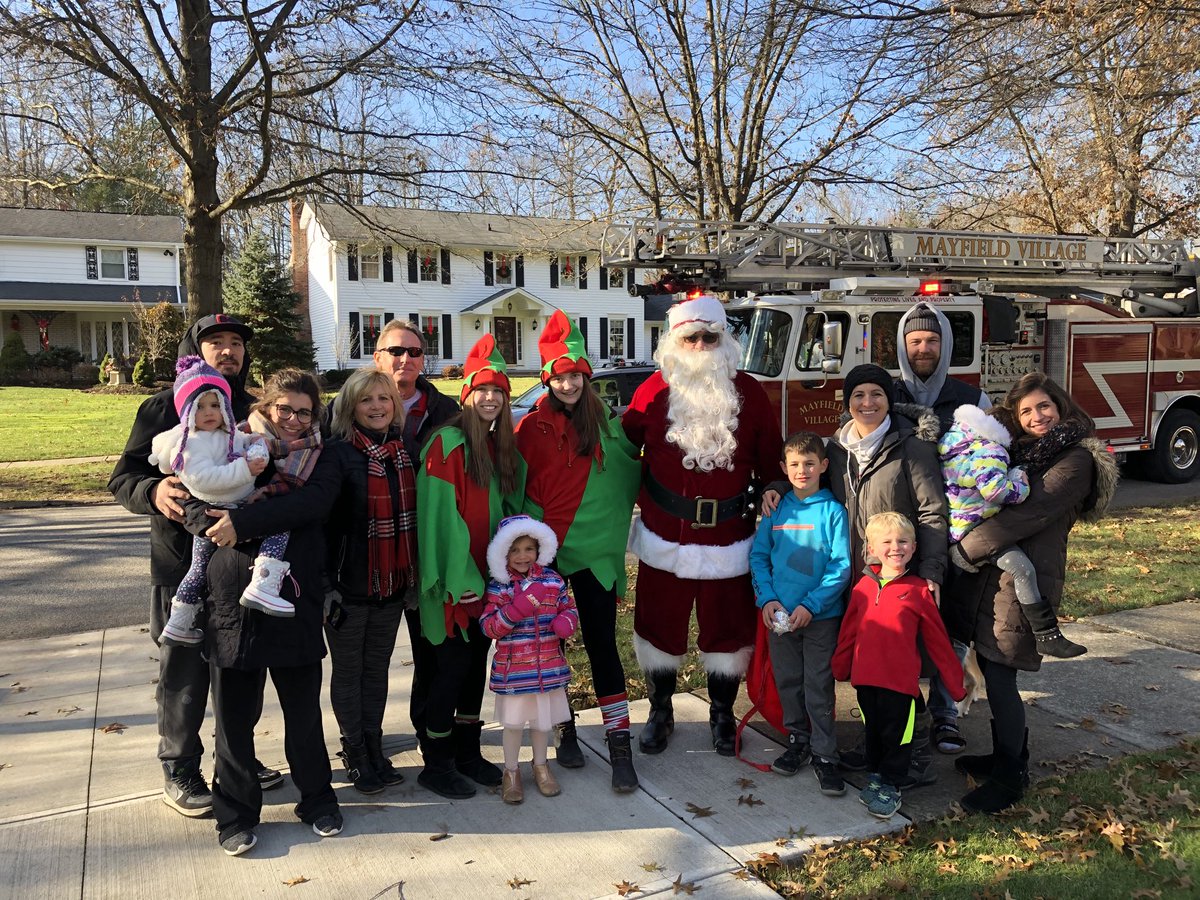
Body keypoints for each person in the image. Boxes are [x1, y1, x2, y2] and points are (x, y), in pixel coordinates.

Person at [109, 313, 281, 817]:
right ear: (195, 350)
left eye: (236, 343)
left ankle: (237, 756)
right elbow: (124, 477)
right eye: (216, 342)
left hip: (237, 564)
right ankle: (180, 765)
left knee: (241, 667)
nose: (228, 351)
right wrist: (152, 490)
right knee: (183, 671)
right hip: (178, 563)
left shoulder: (252, 410)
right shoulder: (163, 407)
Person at [947, 372, 1118, 813]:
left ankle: (1010, 777)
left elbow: (1029, 513)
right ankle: (1007, 755)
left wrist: (965, 548)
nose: (1036, 416)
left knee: (1002, 674)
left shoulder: (1076, 460)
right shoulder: (1022, 451)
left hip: (1026, 576)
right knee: (991, 664)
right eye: (1025, 411)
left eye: (1043, 406)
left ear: (1060, 406)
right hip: (995, 574)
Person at [623, 295, 783, 757]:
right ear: (674, 341)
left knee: (728, 631)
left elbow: (772, 458)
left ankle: (722, 714)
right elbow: (622, 452)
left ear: (724, 339)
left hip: (729, 537)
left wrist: (775, 487)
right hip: (663, 535)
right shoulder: (651, 392)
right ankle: (660, 711)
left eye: (709, 337)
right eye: (690, 337)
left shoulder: (750, 393)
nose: (700, 345)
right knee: (657, 626)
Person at [199, 373, 344, 856]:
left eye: (305, 412)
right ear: (267, 406)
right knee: (234, 716)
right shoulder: (230, 444)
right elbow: (199, 495)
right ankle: (236, 814)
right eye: (285, 409)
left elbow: (312, 504)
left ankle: (317, 799)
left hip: (293, 596)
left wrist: (241, 521)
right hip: (231, 595)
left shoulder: (324, 455)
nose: (295, 420)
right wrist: (209, 522)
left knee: (303, 711)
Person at [515, 310, 641, 792]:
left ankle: (619, 744)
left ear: (586, 376)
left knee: (601, 643)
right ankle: (565, 728)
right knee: (551, 645)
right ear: (547, 379)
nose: (568, 384)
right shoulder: (531, 428)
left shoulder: (607, 424)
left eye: (576, 376)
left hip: (594, 556)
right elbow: (518, 484)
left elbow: (631, 470)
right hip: (546, 556)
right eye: (560, 376)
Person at [341, 319, 459, 758]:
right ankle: (360, 745)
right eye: (395, 350)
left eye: (414, 351)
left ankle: (430, 738)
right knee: (364, 664)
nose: (405, 359)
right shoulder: (347, 417)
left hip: (427, 554)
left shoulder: (446, 411)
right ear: (377, 357)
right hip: (369, 562)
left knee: (430, 653)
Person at [416, 334, 526, 799]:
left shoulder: (498, 447)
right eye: (482, 389)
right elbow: (440, 520)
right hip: (454, 585)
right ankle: (436, 762)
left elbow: (505, 514)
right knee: (450, 672)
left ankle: (467, 752)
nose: (490, 398)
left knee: (474, 669)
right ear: (467, 394)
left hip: (488, 582)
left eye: (498, 391)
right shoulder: (446, 444)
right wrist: (460, 578)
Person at [896, 301, 992, 755]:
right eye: (915, 340)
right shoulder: (885, 396)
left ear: (946, 345)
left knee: (951, 623)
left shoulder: (973, 400)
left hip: (958, 532)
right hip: (900, 532)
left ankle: (946, 711)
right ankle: (903, 711)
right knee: (900, 625)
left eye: (932, 340)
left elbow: (997, 458)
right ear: (902, 346)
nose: (923, 348)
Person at [322, 367, 418, 794]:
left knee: (376, 670)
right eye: (366, 400)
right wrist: (326, 585)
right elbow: (321, 527)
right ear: (351, 407)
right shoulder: (337, 455)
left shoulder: (403, 452)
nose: (376, 407)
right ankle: (355, 751)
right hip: (347, 588)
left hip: (391, 587)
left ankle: (375, 747)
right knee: (348, 672)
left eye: (384, 398)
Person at [832, 512, 965, 820]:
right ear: (871, 549)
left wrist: (955, 684)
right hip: (866, 681)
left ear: (914, 547)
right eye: (887, 542)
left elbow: (937, 640)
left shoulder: (919, 590)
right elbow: (849, 631)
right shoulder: (863, 587)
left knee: (898, 738)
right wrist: (840, 666)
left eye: (903, 541)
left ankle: (892, 786)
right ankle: (876, 776)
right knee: (873, 732)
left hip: (900, 684)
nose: (895, 547)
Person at [940, 404, 1088, 659]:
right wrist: (1020, 484)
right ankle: (1047, 634)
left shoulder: (956, 445)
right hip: (975, 527)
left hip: (957, 526)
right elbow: (995, 491)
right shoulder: (991, 449)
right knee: (1023, 570)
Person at [749, 431, 852, 796]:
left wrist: (812, 604)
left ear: (823, 465)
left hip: (820, 618)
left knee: (818, 685)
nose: (802, 471)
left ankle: (825, 754)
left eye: (809, 463)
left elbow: (841, 566)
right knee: (788, 680)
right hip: (780, 616)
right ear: (783, 468)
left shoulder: (833, 511)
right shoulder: (776, 509)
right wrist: (767, 600)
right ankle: (798, 740)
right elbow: (759, 557)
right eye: (794, 464)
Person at [148, 357, 277, 645]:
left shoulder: (227, 434)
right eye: (200, 406)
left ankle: (181, 621)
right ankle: (265, 581)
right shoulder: (189, 444)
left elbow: (247, 442)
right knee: (201, 569)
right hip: (214, 512)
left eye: (216, 405)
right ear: (186, 411)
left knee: (202, 569)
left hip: (236, 507)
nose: (209, 412)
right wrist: (245, 469)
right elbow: (204, 479)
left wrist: (256, 444)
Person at [480, 514, 579, 805]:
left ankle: (541, 767)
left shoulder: (552, 581)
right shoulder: (499, 586)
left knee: (541, 724)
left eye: (529, 549)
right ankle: (511, 772)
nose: (522, 556)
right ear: (503, 552)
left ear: (539, 549)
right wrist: (515, 610)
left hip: (547, 668)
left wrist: (567, 621)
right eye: (515, 550)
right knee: (513, 726)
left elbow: (568, 606)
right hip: (515, 672)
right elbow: (488, 627)